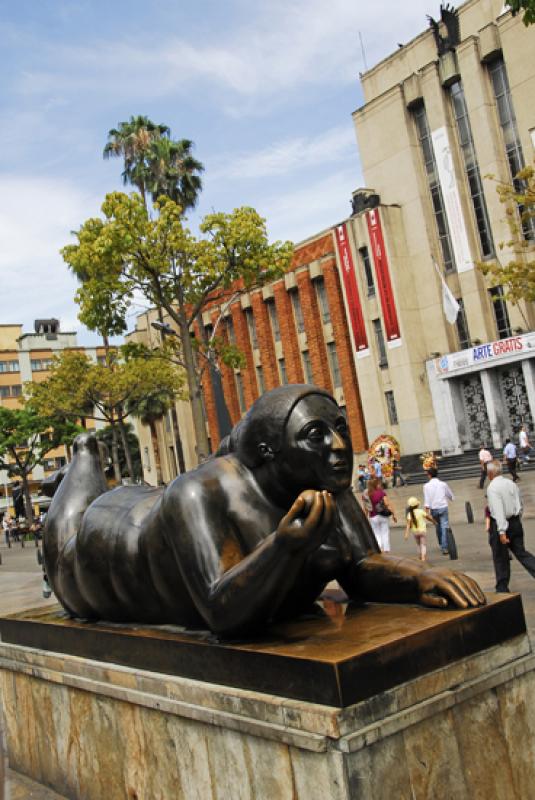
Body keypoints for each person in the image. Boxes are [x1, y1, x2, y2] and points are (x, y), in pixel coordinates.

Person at [44, 385, 485, 636]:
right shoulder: (198, 494)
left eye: (339, 429)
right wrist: (284, 548)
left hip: (150, 514)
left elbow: (361, 568)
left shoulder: (322, 481)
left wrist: (418, 576)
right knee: (63, 540)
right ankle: (85, 453)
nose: (338, 446)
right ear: (267, 450)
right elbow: (221, 613)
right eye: (315, 434)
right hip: (99, 551)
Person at [486, 459, 535, 593]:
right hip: (515, 522)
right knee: (521, 552)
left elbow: (498, 510)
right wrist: (516, 519)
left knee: (500, 557)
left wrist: (502, 532)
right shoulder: (511, 483)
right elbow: (520, 503)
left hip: (502, 524)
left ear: (490, 473)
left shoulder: (492, 488)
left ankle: (502, 587)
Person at [423, 468, 454, 555]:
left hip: (434, 509)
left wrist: (426, 511)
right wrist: (451, 498)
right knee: (444, 526)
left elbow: (427, 500)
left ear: (429, 475)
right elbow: (450, 495)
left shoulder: (426, 486)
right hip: (443, 507)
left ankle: (441, 543)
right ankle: (444, 547)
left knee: (438, 526)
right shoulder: (443, 484)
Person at [363, 476, 396, 553]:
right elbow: (387, 504)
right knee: (385, 532)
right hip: (383, 515)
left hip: (373, 517)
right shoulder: (381, 492)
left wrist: (365, 517)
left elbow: (365, 507)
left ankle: (379, 549)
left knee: (376, 534)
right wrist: (394, 514)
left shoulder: (366, 494)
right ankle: (386, 550)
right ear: (376, 485)